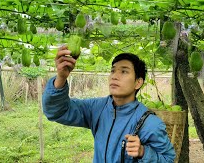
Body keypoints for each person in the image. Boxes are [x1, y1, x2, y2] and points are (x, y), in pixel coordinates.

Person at [42, 45, 176, 163]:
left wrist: (143, 152)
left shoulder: (150, 123)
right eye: (113, 70)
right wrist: (61, 77)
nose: (114, 76)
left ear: (138, 82)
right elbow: (57, 112)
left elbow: (168, 159)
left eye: (123, 71)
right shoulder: (97, 109)